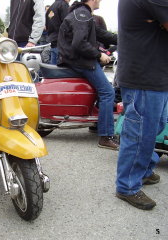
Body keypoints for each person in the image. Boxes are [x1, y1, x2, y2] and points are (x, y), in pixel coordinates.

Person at [115, 0, 168, 210]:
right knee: (139, 134)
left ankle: (144, 168)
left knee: (156, 127)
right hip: (144, 78)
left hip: (155, 76)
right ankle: (127, 186)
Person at [58, 0, 119, 150]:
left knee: (103, 90)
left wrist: (124, 38)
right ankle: (105, 136)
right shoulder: (83, 14)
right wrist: (99, 55)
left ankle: (97, 124)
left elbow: (101, 34)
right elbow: (79, 44)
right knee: (108, 92)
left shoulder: (82, 14)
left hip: (76, 59)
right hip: (81, 61)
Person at [46, 0, 70, 65]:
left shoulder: (50, 8)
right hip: (62, 46)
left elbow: (47, 26)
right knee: (61, 73)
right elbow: (68, 25)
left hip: (53, 43)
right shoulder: (64, 5)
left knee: (53, 71)